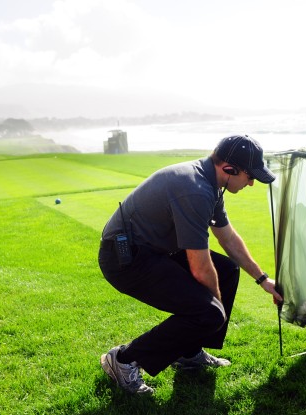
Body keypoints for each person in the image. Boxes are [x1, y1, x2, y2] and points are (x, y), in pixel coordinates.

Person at [98, 134, 283, 395]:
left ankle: (189, 352)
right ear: (229, 169)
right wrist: (215, 310)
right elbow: (200, 266)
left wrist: (263, 280)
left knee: (228, 271)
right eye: (249, 176)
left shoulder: (211, 183)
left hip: (156, 250)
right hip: (126, 260)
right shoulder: (195, 190)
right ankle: (124, 359)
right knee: (209, 313)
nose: (251, 183)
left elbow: (227, 238)